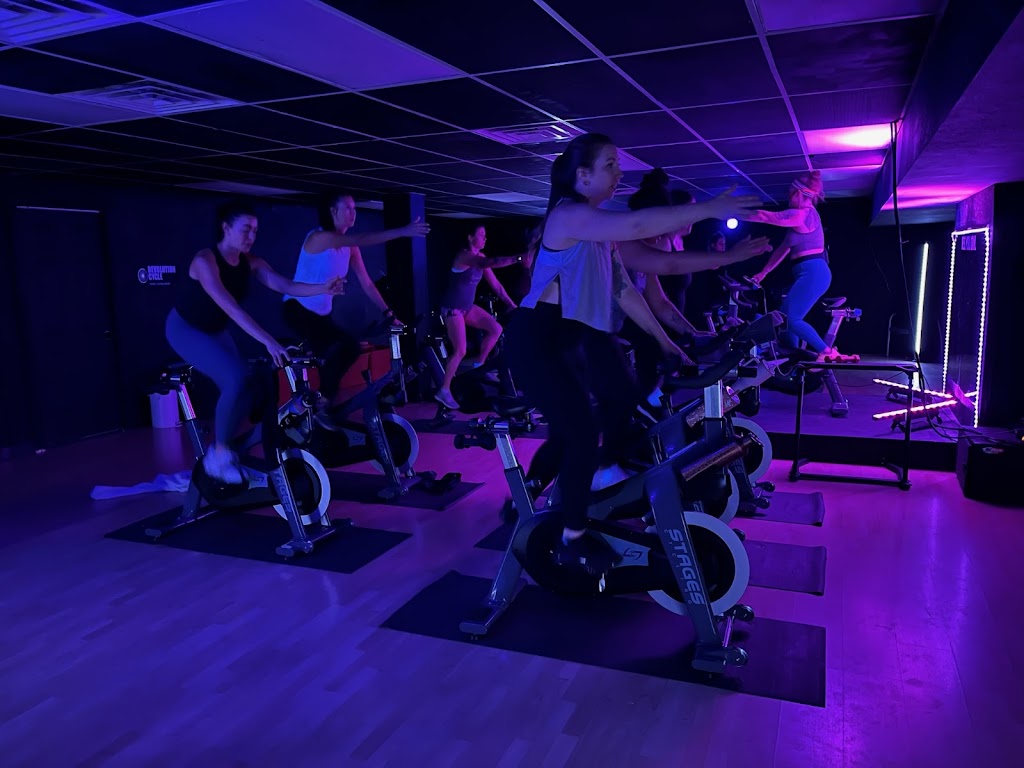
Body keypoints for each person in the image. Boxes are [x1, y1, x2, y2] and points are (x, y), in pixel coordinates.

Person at [504, 133, 762, 573]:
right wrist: (708, 209)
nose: (618, 173)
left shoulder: (598, 236)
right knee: (581, 432)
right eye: (609, 165)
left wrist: (665, 342)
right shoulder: (566, 216)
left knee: (601, 412)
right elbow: (638, 227)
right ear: (582, 176)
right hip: (536, 340)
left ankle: (573, 482)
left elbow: (627, 290)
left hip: (569, 341)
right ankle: (571, 539)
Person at [166, 202, 345, 483]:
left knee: (248, 386)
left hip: (215, 330)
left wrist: (323, 287)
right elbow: (232, 310)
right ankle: (218, 458)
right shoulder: (205, 261)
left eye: (255, 231)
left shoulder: (251, 262)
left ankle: (226, 447)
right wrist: (270, 343)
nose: (251, 236)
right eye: (246, 229)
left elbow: (286, 285)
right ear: (226, 228)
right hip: (186, 329)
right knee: (235, 378)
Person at [617, 169, 771, 404]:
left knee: (651, 393)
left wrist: (692, 333)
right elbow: (670, 264)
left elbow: (660, 303)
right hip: (611, 336)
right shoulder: (623, 244)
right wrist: (729, 256)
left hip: (636, 334)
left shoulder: (644, 248)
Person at [282, 192, 429, 426]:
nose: (353, 213)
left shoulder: (350, 248)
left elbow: (367, 284)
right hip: (297, 309)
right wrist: (403, 231)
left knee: (348, 349)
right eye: (348, 208)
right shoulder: (319, 238)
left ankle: (320, 403)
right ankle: (321, 402)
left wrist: (389, 313)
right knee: (344, 346)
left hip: (321, 316)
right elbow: (363, 237)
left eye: (354, 208)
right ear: (333, 211)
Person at [743, 170, 839, 360]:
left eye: (789, 193)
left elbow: (765, 217)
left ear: (797, 193)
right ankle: (793, 356)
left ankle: (826, 352)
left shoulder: (803, 214)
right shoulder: (798, 223)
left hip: (814, 272)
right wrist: (763, 273)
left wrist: (731, 213)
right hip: (810, 272)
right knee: (785, 318)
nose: (788, 197)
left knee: (792, 319)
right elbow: (782, 249)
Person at [434, 225, 521, 411]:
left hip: (467, 308)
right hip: (453, 309)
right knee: (460, 350)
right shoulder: (465, 256)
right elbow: (493, 261)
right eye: (481, 235)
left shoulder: (480, 257)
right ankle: (444, 390)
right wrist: (518, 258)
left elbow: (497, 286)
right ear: (470, 237)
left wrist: (513, 306)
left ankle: (479, 364)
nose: (485, 238)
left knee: (496, 329)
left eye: (485, 235)